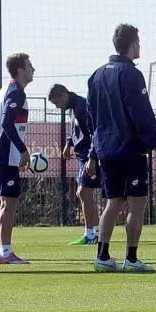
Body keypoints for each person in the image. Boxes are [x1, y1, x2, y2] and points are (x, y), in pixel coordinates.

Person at [87, 24, 156, 273]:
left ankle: (102, 256)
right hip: (130, 150)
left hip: (105, 150)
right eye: (138, 42)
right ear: (132, 45)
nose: (140, 47)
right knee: (137, 203)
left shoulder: (97, 75)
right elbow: (140, 112)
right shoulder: (131, 74)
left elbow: (92, 119)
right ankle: (131, 259)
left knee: (113, 203)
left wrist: (92, 152)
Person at [0, 53, 34, 265]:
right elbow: (7, 123)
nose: (33, 70)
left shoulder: (5, 90)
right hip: (3, 155)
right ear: (20, 69)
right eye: (30, 66)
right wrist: (22, 150)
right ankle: (6, 252)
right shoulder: (16, 92)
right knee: (9, 203)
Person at [48, 83, 101, 246]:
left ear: (64, 96)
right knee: (83, 194)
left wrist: (92, 157)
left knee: (84, 193)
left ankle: (93, 234)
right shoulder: (73, 108)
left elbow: (94, 131)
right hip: (82, 156)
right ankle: (94, 233)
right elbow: (76, 130)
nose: (58, 107)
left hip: (89, 156)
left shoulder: (83, 106)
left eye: (57, 103)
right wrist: (68, 144)